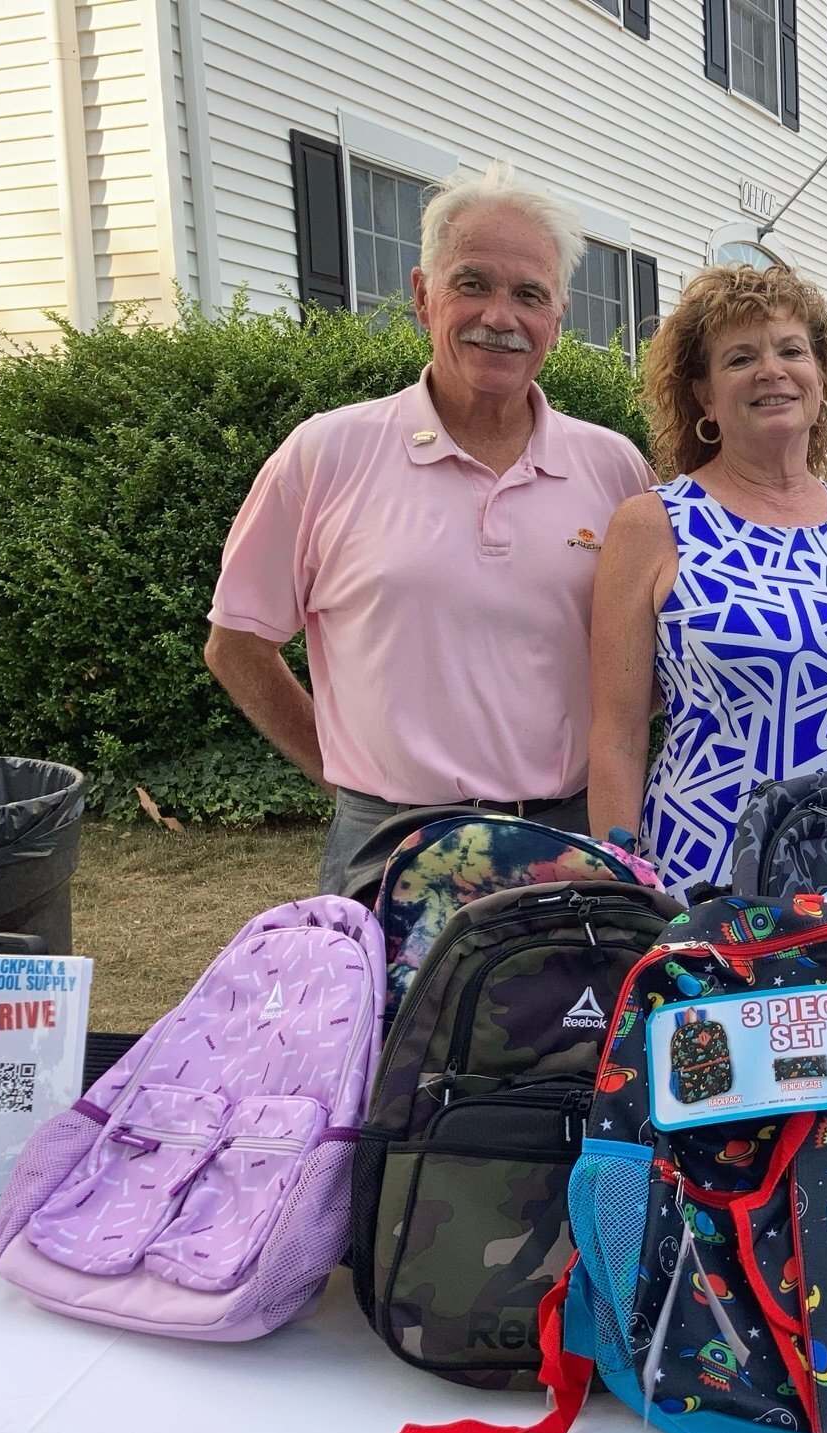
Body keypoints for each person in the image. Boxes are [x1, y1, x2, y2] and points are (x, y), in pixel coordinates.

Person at [205, 162, 651, 896]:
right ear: (422, 296)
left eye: (529, 295)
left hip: (569, 843)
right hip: (386, 848)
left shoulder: (614, 469)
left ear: (558, 318)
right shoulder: (324, 455)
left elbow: (653, 667)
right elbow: (237, 645)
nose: (500, 317)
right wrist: (346, 778)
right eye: (472, 284)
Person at [587, 265, 827, 898]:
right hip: (704, 878)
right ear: (705, 398)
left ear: (821, 379)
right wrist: (622, 889)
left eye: (792, 351)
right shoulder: (652, 525)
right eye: (741, 358)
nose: (772, 370)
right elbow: (619, 736)